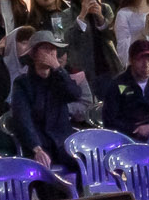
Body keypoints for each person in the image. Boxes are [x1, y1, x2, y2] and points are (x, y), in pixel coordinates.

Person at [9, 34, 91, 172]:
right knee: (43, 168)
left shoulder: (58, 78)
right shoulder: (22, 83)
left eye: (53, 49)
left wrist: (59, 69)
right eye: (46, 49)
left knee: (85, 162)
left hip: (62, 141)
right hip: (40, 142)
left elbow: (74, 94)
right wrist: (36, 148)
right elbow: (23, 119)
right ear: (33, 54)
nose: (51, 53)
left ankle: (81, 193)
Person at [108, 40, 149, 142]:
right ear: (131, 60)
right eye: (140, 59)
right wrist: (135, 129)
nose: (146, 64)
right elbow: (109, 120)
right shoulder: (117, 84)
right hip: (126, 134)